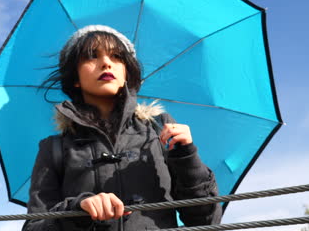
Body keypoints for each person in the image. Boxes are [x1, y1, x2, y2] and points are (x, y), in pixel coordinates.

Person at [22, 25, 222, 231]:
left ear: (126, 72)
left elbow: (206, 221)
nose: (106, 63)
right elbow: (34, 227)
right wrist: (77, 209)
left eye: (117, 56)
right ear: (75, 79)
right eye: (92, 56)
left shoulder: (160, 129)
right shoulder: (54, 148)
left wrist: (187, 157)